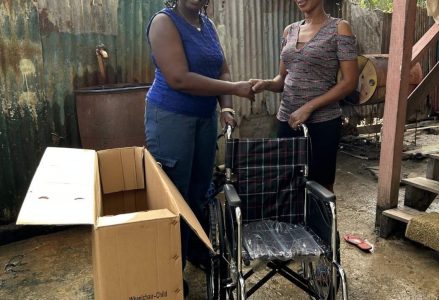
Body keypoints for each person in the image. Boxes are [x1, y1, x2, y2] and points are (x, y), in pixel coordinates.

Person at [144, 0, 254, 297]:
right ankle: (168, 270)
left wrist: (226, 108)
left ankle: (194, 251)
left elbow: (223, 69)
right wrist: (234, 90)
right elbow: (178, 78)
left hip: (205, 120)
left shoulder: (206, 26)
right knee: (173, 196)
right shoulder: (164, 22)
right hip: (171, 118)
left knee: (199, 190)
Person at [250, 0, 358, 192]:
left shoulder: (339, 28)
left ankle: (321, 223)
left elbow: (350, 82)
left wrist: (309, 107)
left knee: (321, 186)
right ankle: (293, 223)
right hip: (287, 120)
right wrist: (266, 84)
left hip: (323, 123)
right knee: (287, 182)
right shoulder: (289, 31)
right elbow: (282, 78)